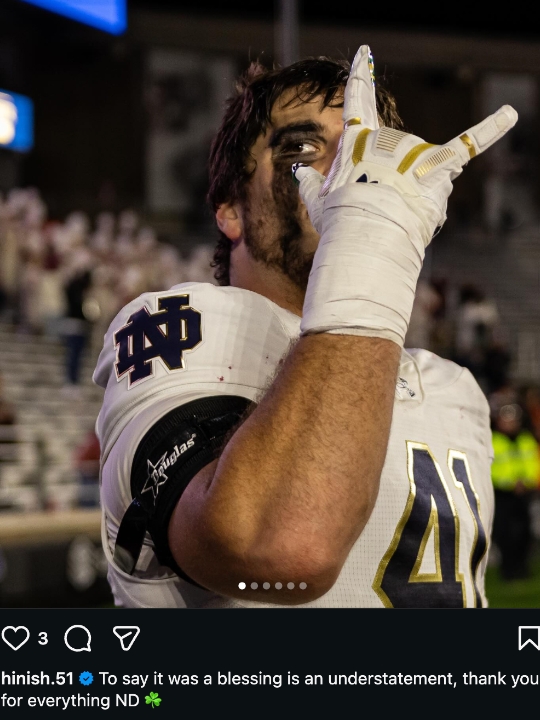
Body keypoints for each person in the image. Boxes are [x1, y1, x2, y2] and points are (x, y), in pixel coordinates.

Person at [94, 45, 517, 608]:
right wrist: (368, 238)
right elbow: (280, 549)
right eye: (302, 148)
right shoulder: (179, 328)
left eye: (369, 146)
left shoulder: (452, 388)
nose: (352, 169)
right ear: (231, 208)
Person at [491, 402, 539, 580]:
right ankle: (508, 570)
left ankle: (522, 568)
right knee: (504, 532)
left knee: (525, 532)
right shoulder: (493, 441)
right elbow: (490, 469)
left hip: (524, 493)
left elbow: (533, 463)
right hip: (502, 494)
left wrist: (526, 482)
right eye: (506, 419)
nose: (510, 423)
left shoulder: (526, 439)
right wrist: (511, 483)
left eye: (513, 420)